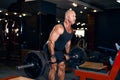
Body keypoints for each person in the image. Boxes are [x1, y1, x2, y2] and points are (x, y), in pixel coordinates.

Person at [43, 9, 76, 80]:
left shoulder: (71, 30)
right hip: (49, 47)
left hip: (58, 50)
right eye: (73, 16)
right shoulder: (59, 28)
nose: (75, 18)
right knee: (54, 67)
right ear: (67, 17)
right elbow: (51, 41)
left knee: (62, 66)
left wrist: (67, 53)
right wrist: (52, 55)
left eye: (75, 16)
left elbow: (68, 43)